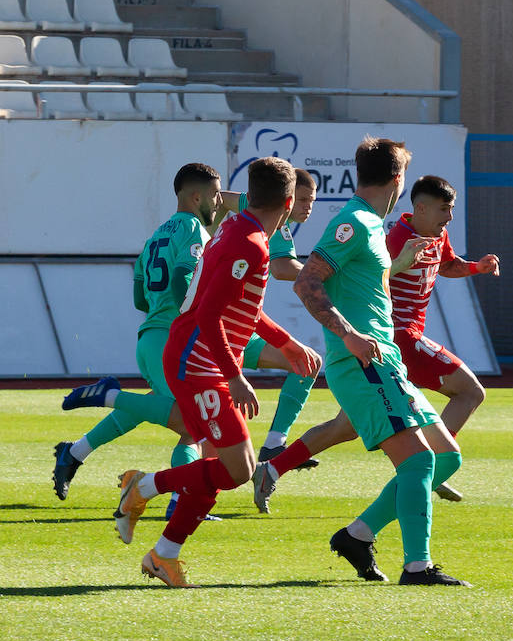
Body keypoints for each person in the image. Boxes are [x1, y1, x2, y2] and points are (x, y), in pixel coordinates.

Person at [111, 157, 320, 587]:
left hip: (201, 358)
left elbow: (244, 307)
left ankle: (163, 555)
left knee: (221, 466)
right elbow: (209, 314)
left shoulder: (236, 227)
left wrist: (285, 342)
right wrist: (237, 377)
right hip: (197, 363)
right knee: (238, 469)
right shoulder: (251, 243)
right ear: (285, 202)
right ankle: (144, 487)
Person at [250, 175, 498, 511]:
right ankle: (430, 469)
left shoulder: (438, 235)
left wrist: (475, 268)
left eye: (451, 210)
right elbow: (373, 277)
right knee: (470, 392)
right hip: (396, 338)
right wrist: (397, 266)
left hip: (384, 345)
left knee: (345, 426)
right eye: (444, 209)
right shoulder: (395, 237)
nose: (448, 217)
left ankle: (272, 469)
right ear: (419, 207)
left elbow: (447, 265)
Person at [289, 136, 468, 586]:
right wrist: (348, 336)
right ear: (397, 178)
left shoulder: (370, 223)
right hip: (364, 364)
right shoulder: (353, 222)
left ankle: (358, 534)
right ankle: (418, 566)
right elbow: (308, 283)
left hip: (387, 362)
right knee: (419, 461)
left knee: (445, 457)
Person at [53, 163, 235, 501]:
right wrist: (194, 317)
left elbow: (140, 298)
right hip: (174, 340)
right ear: (197, 197)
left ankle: (74, 453)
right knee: (192, 425)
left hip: (150, 337)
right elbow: (182, 279)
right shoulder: (195, 230)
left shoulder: (155, 237)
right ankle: (183, 498)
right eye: (214, 194)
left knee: (164, 410)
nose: (219, 200)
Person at [235, 168, 324, 467]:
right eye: (302, 199)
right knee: (188, 426)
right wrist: (327, 276)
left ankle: (274, 445)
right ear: (286, 197)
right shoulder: (268, 219)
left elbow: (221, 199)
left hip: (241, 326)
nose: (307, 206)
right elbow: (283, 268)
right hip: (216, 332)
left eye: (311, 200)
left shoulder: (275, 225)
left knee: (306, 362)